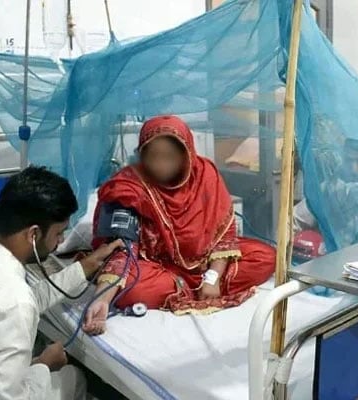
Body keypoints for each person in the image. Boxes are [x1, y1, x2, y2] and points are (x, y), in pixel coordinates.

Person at [0, 166, 122, 400]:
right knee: (74, 378)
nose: (61, 240)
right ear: (33, 234)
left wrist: (82, 269)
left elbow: (27, 298)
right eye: (59, 233)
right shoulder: (13, 302)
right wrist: (43, 365)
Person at [83, 115, 276, 335]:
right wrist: (103, 299)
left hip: (204, 263)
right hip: (156, 268)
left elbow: (224, 235)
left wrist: (212, 277)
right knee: (133, 288)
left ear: (186, 156)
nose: (160, 165)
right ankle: (191, 290)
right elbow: (121, 248)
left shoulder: (205, 175)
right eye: (153, 156)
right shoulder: (128, 186)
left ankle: (205, 287)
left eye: (169, 157)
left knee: (265, 257)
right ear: (142, 154)